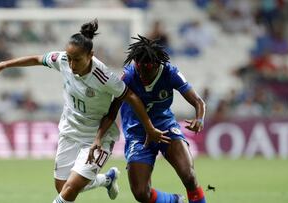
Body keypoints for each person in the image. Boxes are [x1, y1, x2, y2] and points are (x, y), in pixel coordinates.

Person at [0, 20, 171, 203]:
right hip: (70, 132)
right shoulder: (63, 59)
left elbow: (132, 97)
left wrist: (149, 127)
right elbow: (37, 59)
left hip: (98, 138)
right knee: (62, 187)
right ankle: (107, 179)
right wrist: (2, 65)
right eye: (69, 59)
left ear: (90, 55)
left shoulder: (104, 77)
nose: (71, 65)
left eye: (77, 60)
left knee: (69, 191)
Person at [88, 35, 207, 203]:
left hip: (165, 128)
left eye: (147, 70)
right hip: (137, 134)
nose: (142, 75)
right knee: (141, 194)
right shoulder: (128, 77)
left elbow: (198, 101)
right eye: (139, 69)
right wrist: (98, 138)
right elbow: (112, 111)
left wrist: (199, 119)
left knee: (189, 176)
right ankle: (174, 201)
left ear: (157, 65)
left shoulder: (170, 73)